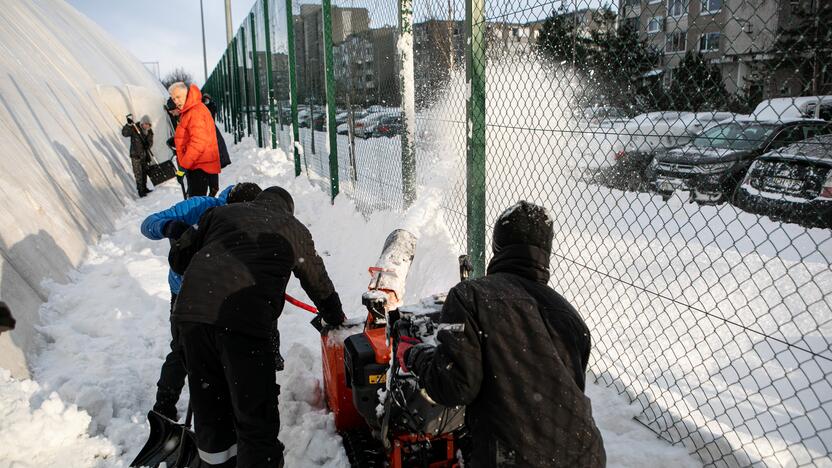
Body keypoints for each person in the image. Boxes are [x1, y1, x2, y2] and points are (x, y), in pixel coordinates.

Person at [398, 201, 606, 467]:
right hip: (585, 455)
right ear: (547, 252)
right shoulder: (571, 317)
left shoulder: (470, 296)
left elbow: (453, 387)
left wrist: (416, 355)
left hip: (513, 458)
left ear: (497, 246)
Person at [169, 186, 346, 467]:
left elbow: (179, 260)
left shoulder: (220, 214)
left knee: (211, 411)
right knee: (255, 420)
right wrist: (334, 316)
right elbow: (317, 280)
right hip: (242, 323)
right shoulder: (292, 228)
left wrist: (185, 237)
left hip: (190, 318)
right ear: (287, 209)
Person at [139, 182, 264, 422]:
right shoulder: (198, 207)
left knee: (226, 349)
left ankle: (223, 406)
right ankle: (164, 404)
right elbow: (148, 224)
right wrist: (169, 226)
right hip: (185, 290)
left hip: (224, 291)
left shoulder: (254, 220)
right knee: (183, 348)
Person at [168, 82, 221, 198]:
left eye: (178, 97)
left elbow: (198, 143)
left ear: (186, 95)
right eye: (173, 98)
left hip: (199, 167)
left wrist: (183, 167)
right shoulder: (189, 110)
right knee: (197, 203)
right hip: (197, 165)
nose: (176, 101)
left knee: (196, 205)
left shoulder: (195, 112)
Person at [121, 114, 153, 197]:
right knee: (138, 174)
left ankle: (145, 187)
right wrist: (128, 125)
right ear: (142, 123)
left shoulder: (149, 131)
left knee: (144, 172)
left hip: (144, 155)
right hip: (135, 155)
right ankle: (140, 191)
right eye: (145, 124)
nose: (146, 126)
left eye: (148, 124)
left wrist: (148, 145)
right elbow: (124, 133)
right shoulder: (134, 128)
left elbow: (150, 141)